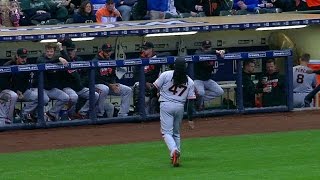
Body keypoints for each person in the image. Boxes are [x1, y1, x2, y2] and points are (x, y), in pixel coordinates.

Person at [153, 57, 196, 167]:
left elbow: (154, 88)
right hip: (179, 107)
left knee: (166, 132)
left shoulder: (166, 74)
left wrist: (157, 95)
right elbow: (191, 103)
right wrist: (190, 119)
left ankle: (173, 151)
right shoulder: (190, 81)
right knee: (176, 133)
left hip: (166, 105)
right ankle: (176, 156)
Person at [3, 48, 44, 123]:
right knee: (13, 96)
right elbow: (5, 83)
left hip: (22, 91)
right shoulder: (8, 65)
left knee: (40, 97)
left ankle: (23, 113)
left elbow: (26, 82)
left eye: (25, 57)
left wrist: (22, 91)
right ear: (17, 56)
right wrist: (16, 90)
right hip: (9, 91)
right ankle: (8, 120)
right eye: (22, 57)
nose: (24, 59)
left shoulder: (27, 65)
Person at [92, 43, 132, 117]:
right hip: (96, 86)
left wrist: (114, 84)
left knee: (127, 90)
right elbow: (97, 79)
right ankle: (100, 114)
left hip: (109, 85)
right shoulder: (96, 60)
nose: (108, 53)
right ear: (102, 51)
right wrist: (110, 85)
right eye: (106, 51)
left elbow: (113, 76)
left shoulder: (111, 61)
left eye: (109, 51)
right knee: (105, 89)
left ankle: (123, 115)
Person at [37, 43, 71, 121]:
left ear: (54, 52)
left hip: (52, 89)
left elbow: (68, 61)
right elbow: (45, 63)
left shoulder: (56, 58)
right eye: (48, 51)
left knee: (65, 97)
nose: (49, 53)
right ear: (45, 51)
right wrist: (58, 59)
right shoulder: (40, 58)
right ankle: (34, 114)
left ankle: (51, 113)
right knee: (44, 99)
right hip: (42, 89)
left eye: (51, 51)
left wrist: (61, 49)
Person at [193, 40, 224, 110]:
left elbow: (226, 52)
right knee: (201, 93)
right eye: (205, 47)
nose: (207, 49)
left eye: (208, 47)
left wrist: (222, 51)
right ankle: (198, 106)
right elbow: (199, 55)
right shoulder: (198, 52)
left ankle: (199, 100)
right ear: (202, 47)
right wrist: (215, 52)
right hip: (198, 79)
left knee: (220, 91)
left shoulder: (213, 52)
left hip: (207, 80)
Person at [133, 41, 161, 115]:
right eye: (143, 49)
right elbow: (135, 75)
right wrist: (145, 83)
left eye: (146, 49)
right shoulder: (140, 59)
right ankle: (138, 111)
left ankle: (158, 110)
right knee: (137, 85)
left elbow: (156, 74)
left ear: (151, 49)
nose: (144, 50)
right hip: (144, 82)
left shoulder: (157, 59)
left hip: (155, 83)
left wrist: (152, 84)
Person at [0, 60, 18, 125]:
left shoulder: (14, 66)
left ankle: (7, 120)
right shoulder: (5, 67)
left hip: (4, 92)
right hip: (2, 91)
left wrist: (17, 90)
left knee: (13, 96)